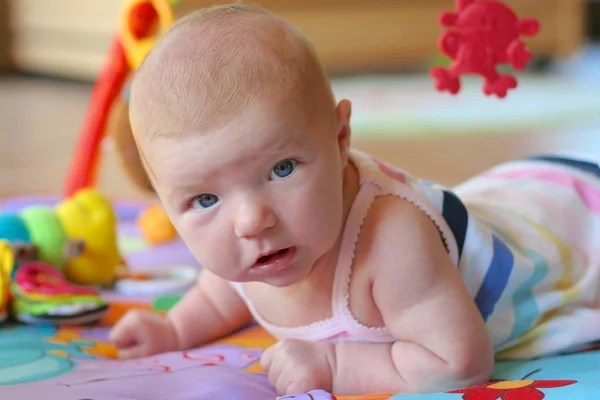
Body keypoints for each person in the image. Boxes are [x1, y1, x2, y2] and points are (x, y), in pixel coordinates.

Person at [108, 3, 600, 396]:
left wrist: (334, 364)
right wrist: (171, 331)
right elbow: (220, 296)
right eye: (205, 199)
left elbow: (460, 361)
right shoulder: (247, 244)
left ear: (340, 137)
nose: (251, 220)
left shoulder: (391, 240)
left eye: (281, 169)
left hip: (572, 225)